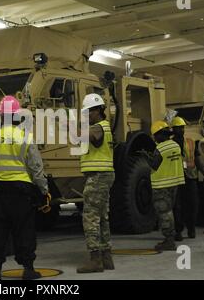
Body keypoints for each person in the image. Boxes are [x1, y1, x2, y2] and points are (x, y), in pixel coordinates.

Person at [0, 95, 50, 280]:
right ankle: (28, 269)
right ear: (17, 116)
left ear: (1, 116)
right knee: (24, 230)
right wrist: (43, 190)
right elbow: (36, 167)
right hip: (20, 192)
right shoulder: (25, 137)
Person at [76, 93, 115, 274]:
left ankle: (95, 259)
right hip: (103, 175)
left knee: (90, 217)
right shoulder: (101, 126)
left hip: (98, 176)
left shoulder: (100, 127)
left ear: (99, 110)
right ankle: (107, 258)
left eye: (89, 111)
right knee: (102, 217)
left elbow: (85, 135)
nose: (87, 115)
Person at [142, 121, 185, 251]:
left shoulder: (160, 148)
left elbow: (155, 164)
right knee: (170, 211)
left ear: (161, 135)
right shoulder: (175, 145)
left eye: (155, 135)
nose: (154, 138)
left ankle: (169, 240)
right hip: (174, 183)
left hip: (162, 184)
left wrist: (145, 156)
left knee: (164, 213)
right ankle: (172, 236)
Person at [171, 116, 204, 241]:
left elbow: (197, 159)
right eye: (177, 128)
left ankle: (191, 228)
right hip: (176, 178)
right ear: (173, 129)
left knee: (193, 204)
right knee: (178, 206)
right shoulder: (170, 144)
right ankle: (178, 231)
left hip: (190, 177)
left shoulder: (190, 142)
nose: (180, 130)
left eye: (182, 128)